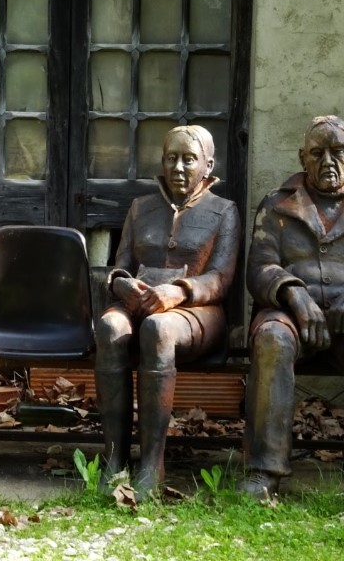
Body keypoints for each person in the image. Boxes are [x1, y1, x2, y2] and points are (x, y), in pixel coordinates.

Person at [239, 116, 344, 512]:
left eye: (337, 151)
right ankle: (263, 471)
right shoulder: (277, 204)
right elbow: (259, 267)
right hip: (290, 317)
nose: (328, 160)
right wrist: (293, 292)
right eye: (317, 153)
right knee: (272, 338)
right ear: (302, 158)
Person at [95, 125, 241, 498]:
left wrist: (179, 291)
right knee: (110, 326)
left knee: (158, 329)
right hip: (138, 305)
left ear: (208, 165)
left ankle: (152, 464)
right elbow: (120, 266)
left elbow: (221, 278)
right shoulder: (140, 208)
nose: (178, 167)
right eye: (171, 158)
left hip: (198, 312)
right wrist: (120, 284)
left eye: (189, 159)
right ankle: (115, 458)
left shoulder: (224, 211)